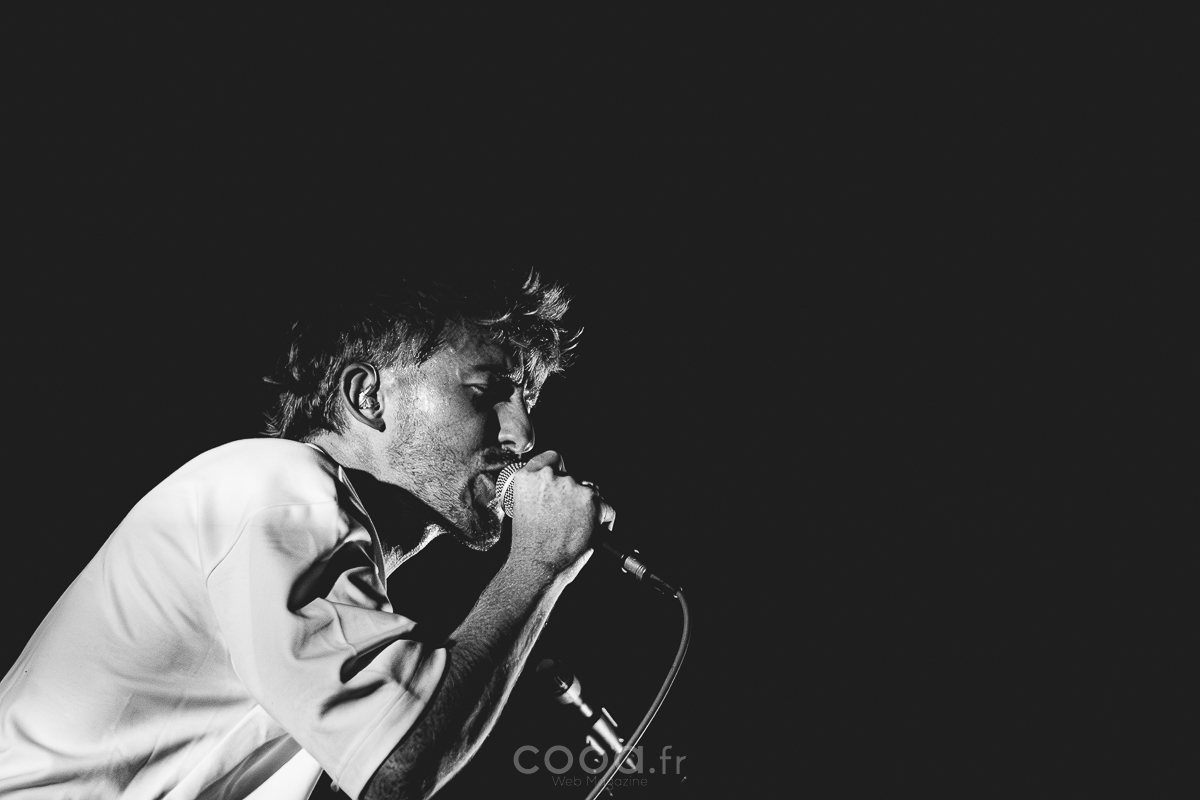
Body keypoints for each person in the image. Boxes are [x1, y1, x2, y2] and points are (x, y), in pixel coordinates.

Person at [0, 271, 610, 799]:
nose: (523, 434)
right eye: (488, 390)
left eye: (528, 401)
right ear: (367, 396)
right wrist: (539, 564)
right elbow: (395, 764)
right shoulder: (280, 485)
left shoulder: (308, 539)